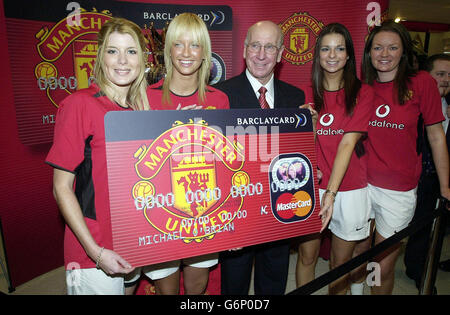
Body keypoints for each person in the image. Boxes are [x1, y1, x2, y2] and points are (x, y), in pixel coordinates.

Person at [124, 13, 229, 295]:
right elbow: (133, 163)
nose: (186, 53)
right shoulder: (145, 97)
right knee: (166, 288)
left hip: (203, 213)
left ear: (204, 52)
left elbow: (227, 166)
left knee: (197, 287)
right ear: (168, 49)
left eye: (194, 45)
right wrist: (170, 132)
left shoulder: (219, 100)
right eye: (178, 44)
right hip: (160, 216)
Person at [45, 17, 150, 294]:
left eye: (131, 51)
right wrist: (95, 252)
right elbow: (61, 187)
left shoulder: (139, 111)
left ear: (142, 59)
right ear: (100, 57)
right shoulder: (79, 104)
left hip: (132, 241)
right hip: (93, 251)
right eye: (113, 51)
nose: (122, 61)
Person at [215, 20, 319, 295]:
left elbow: (298, 154)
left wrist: (310, 137)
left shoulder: (295, 98)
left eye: (270, 47)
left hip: (279, 209)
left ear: (282, 53)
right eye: (255, 46)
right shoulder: (220, 95)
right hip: (238, 209)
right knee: (233, 285)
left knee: (274, 282)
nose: (261, 55)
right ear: (245, 49)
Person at [362, 21, 450, 295]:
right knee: (356, 257)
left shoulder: (422, 82)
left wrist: (445, 186)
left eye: (392, 47)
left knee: (382, 264)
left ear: (403, 52)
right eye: (378, 47)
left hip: (398, 188)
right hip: (360, 183)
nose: (384, 53)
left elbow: (436, 136)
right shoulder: (360, 83)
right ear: (369, 52)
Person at [295, 23, 374, 294]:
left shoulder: (363, 92)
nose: (332, 55)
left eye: (339, 48)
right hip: (310, 186)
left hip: (349, 188)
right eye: (326, 49)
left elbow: (347, 143)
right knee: (307, 257)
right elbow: (302, 147)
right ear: (317, 56)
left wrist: (330, 193)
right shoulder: (304, 94)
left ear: (349, 55)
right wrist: (311, 126)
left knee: (340, 264)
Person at [404, 53, 450, 288]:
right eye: (440, 74)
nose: (446, 80)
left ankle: (421, 268)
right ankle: (416, 269)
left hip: (438, 179)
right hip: (414, 176)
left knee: (430, 227)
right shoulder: (413, 108)